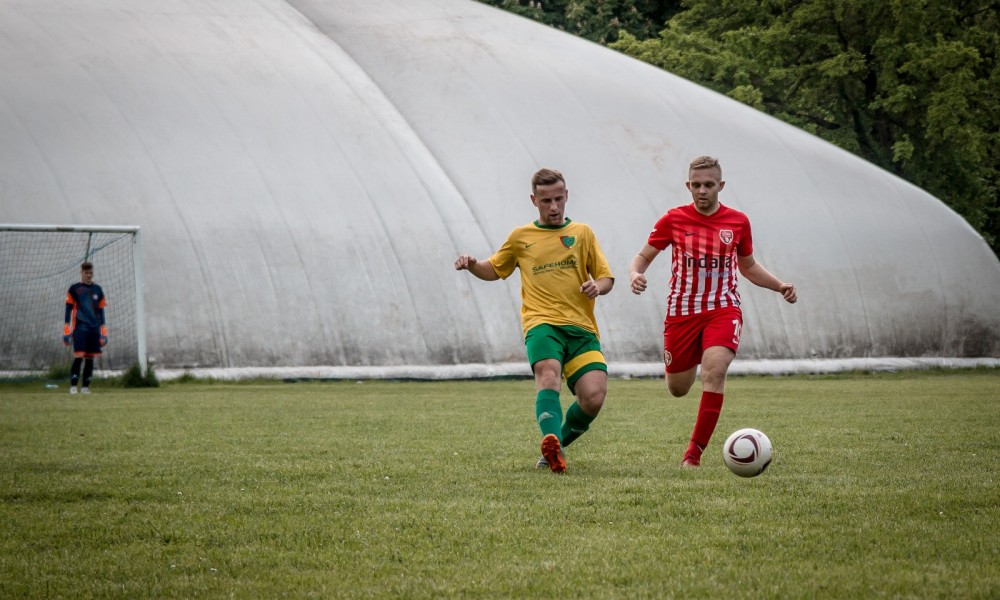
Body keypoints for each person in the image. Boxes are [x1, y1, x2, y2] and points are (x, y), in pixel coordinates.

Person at [629, 156, 797, 467]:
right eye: (696, 185)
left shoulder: (738, 222)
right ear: (688, 186)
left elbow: (747, 267)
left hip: (723, 308)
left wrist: (779, 285)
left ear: (721, 186)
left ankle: (692, 456)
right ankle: (694, 353)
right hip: (681, 313)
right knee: (678, 389)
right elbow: (642, 256)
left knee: (715, 372)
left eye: (709, 185)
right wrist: (635, 273)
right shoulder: (673, 220)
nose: (702, 190)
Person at [455, 168, 615, 473]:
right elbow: (494, 269)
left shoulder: (582, 233)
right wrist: (473, 265)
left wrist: (598, 286)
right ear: (534, 200)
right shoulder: (521, 237)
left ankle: (555, 448)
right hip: (541, 324)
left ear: (567, 196)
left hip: (581, 328)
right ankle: (551, 437)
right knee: (548, 375)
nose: (553, 207)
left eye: (558, 199)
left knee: (593, 397)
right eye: (546, 201)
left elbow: (606, 277)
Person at [63, 261, 108, 394]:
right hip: (80, 327)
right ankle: (73, 386)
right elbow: (68, 309)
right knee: (79, 355)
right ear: (81, 273)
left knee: (90, 358)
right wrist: (66, 329)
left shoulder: (98, 290)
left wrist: (103, 331)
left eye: (90, 273)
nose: (89, 275)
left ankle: (85, 387)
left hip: (94, 329)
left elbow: (101, 311)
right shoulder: (74, 289)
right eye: (86, 273)